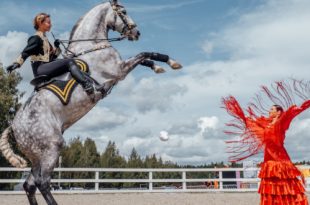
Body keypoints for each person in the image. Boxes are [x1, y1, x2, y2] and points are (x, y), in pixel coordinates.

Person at [222, 80, 309, 205]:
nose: (269, 111)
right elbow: (252, 123)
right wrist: (240, 114)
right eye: (270, 109)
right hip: (268, 159)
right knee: (271, 186)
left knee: (286, 183)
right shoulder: (265, 124)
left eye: (272, 109)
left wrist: (305, 105)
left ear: (278, 112)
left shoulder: (281, 123)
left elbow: (293, 112)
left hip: (280, 158)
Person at [6, 13, 94, 94]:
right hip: (40, 69)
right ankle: (86, 85)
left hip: (46, 66)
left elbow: (52, 58)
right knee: (69, 62)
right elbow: (26, 52)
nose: (50, 24)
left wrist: (57, 47)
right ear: (40, 23)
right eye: (48, 22)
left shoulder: (45, 40)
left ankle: (95, 84)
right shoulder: (36, 38)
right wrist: (16, 63)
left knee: (71, 62)